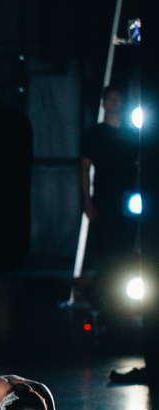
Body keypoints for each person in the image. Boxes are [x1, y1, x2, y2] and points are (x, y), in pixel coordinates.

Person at [80, 84, 140, 320]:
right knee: (107, 252)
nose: (114, 103)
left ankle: (122, 301)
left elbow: (139, 165)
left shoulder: (130, 134)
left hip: (129, 202)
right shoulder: (95, 134)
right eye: (110, 100)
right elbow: (84, 169)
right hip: (104, 200)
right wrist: (87, 201)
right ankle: (101, 298)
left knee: (125, 252)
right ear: (104, 104)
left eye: (117, 99)